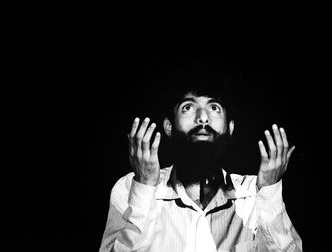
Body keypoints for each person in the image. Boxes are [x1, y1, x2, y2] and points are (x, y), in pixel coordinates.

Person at [99, 74, 302, 251]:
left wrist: (269, 194)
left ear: (230, 128)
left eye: (214, 107)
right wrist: (143, 189)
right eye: (188, 107)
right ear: (169, 126)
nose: (203, 118)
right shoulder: (130, 188)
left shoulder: (255, 194)